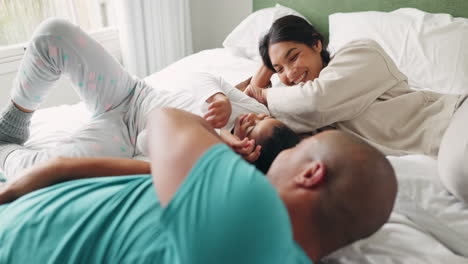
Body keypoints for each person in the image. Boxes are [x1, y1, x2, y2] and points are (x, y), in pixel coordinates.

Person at [0, 107, 397, 263]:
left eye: (303, 144)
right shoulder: (232, 221)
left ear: (311, 174)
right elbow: (151, 175)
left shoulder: (256, 214)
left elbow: (162, 118)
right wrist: (29, 183)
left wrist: (216, 138)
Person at [0, 18, 299, 179]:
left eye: (250, 129)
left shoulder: (211, 158)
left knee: (47, 174)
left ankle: (4, 150)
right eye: (263, 116)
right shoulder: (248, 106)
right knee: (54, 33)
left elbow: (144, 141)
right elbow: (200, 76)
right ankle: (16, 118)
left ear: (248, 152)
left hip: (121, 137)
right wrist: (220, 96)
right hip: (132, 93)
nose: (251, 118)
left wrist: (216, 137)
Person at [244, 15, 468, 203]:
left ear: (316, 44)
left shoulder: (360, 54)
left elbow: (316, 101)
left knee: (458, 175)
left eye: (293, 57)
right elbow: (237, 100)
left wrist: (262, 92)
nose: (290, 74)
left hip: (453, 118)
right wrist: (262, 74)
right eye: (279, 69)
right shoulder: (293, 108)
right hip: (438, 149)